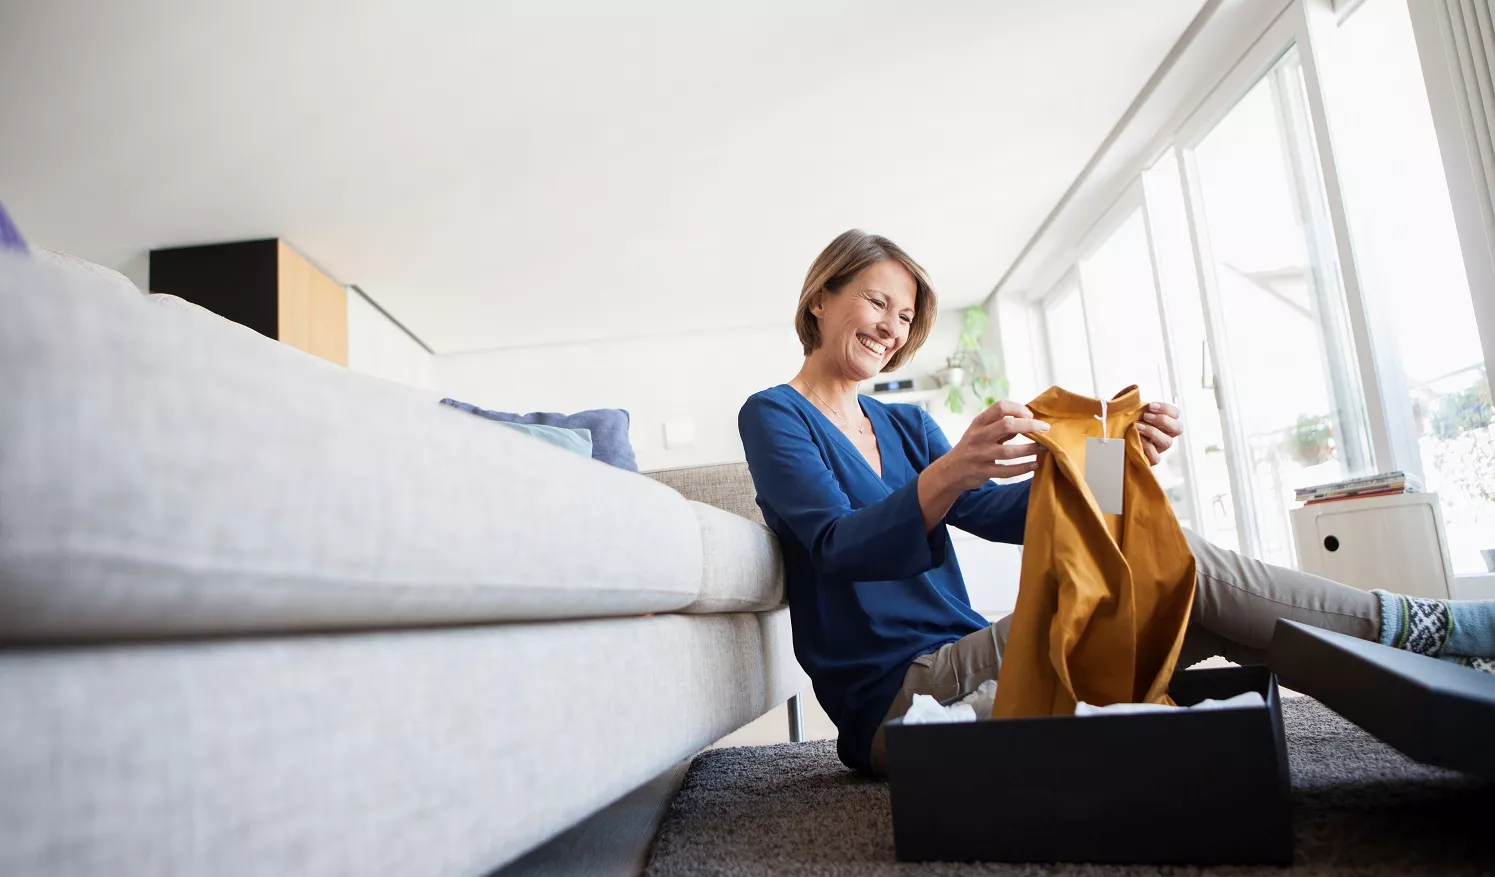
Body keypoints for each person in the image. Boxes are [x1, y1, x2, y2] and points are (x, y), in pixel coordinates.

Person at [738, 229, 1495, 777]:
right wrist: (955, 470)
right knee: (1175, 564)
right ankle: (1429, 628)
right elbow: (838, 545)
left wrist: (1113, 458)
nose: (891, 328)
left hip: (972, 656)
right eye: (877, 301)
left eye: (905, 318)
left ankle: (1431, 686)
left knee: (1174, 582)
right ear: (821, 297)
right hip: (901, 693)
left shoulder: (903, 423)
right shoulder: (774, 414)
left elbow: (1014, 518)